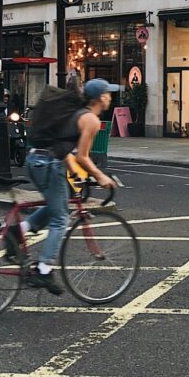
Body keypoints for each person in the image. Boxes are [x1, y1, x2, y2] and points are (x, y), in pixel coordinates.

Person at [22, 78, 117, 295]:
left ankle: (18, 230)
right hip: (47, 164)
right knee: (61, 218)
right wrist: (101, 177)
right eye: (108, 94)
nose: (110, 97)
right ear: (101, 97)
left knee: (58, 205)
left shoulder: (73, 114)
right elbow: (83, 156)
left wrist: (73, 172)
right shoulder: (91, 120)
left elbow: (62, 145)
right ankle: (44, 269)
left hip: (35, 160)